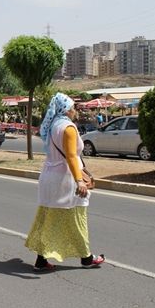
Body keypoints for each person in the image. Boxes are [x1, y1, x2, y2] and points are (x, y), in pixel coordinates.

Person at [24, 93, 104, 272]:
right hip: (64, 179)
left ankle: (41, 260)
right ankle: (86, 258)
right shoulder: (68, 128)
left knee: (49, 219)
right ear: (66, 110)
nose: (75, 110)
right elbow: (71, 157)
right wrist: (79, 181)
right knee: (76, 218)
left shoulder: (53, 125)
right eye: (73, 107)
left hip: (49, 177)